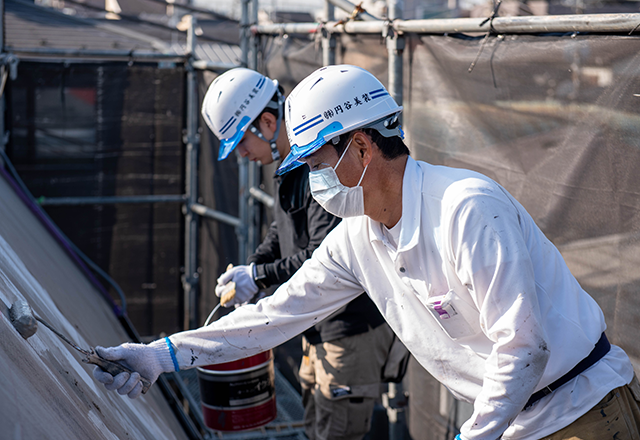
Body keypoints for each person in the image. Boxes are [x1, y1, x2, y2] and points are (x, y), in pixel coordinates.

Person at [93, 65, 639, 440]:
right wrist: (161, 355)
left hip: (581, 415)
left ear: (359, 147)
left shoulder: (466, 208)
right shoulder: (359, 238)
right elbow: (273, 318)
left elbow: (524, 349)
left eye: (312, 161)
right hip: (513, 422)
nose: (311, 179)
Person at [201, 67, 397, 439]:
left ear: (269, 122)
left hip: (348, 327)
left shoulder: (321, 171)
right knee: (315, 427)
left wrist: (259, 278)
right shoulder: (291, 169)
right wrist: (255, 267)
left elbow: (320, 254)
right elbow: (284, 229)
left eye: (242, 142)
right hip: (319, 326)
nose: (243, 154)